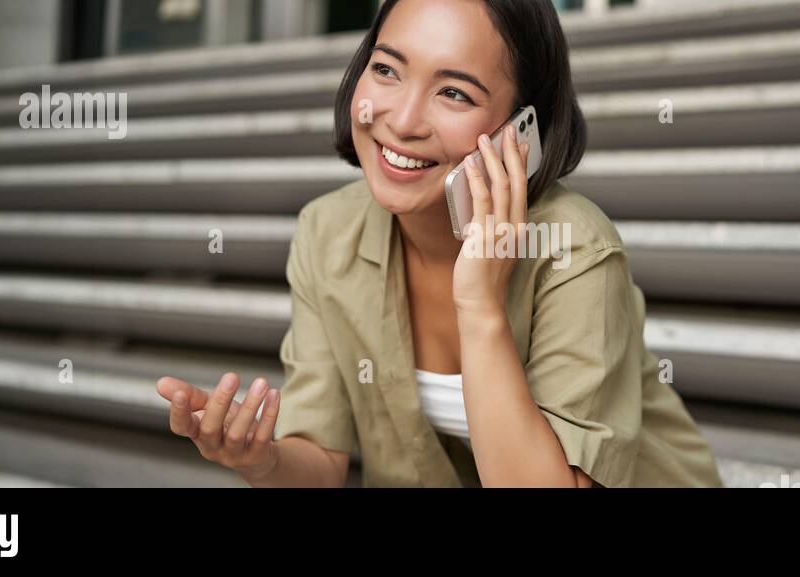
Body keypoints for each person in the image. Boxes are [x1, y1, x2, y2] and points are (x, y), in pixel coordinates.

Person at [156, 0, 723, 488]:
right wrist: (260, 460)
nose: (401, 120)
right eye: (386, 69)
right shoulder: (327, 231)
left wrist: (479, 307)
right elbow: (321, 460)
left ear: (521, 129)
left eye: (453, 92)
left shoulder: (572, 248)